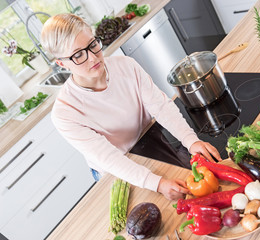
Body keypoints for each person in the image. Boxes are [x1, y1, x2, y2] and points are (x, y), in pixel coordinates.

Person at [40, 13, 221, 201]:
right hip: (117, 170)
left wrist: (190, 140)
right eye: (78, 55)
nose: (93, 58)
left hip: (150, 140)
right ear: (61, 63)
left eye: (93, 45)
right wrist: (157, 184)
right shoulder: (65, 113)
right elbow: (109, 159)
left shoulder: (126, 65)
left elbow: (160, 106)